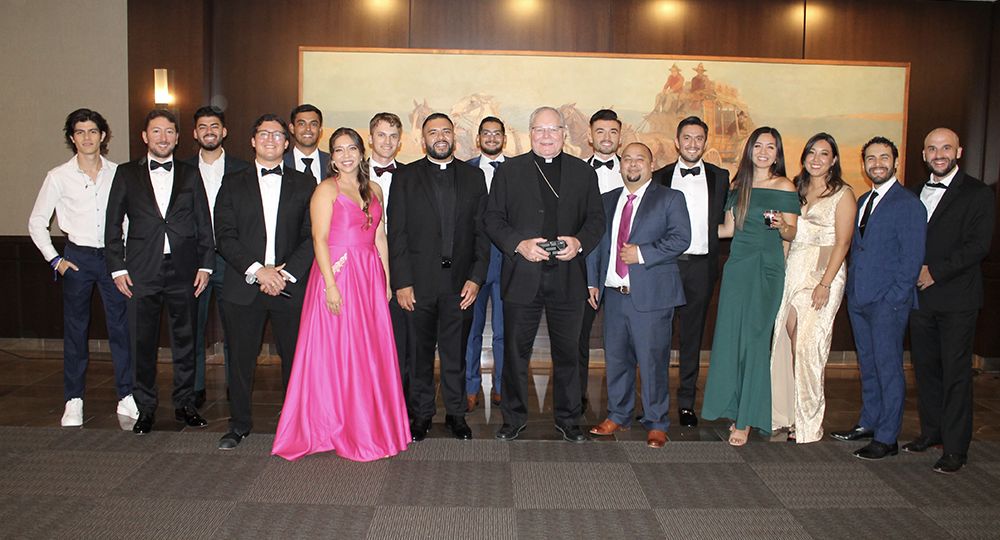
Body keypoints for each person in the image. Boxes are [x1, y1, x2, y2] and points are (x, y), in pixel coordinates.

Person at [273, 127, 410, 461]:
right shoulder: (325, 190)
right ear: (331, 156)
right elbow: (319, 239)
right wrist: (330, 285)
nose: (346, 155)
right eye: (338, 150)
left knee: (368, 352)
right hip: (339, 274)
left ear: (361, 152)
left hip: (369, 278)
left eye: (352, 148)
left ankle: (369, 423)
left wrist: (387, 280)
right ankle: (336, 425)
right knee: (339, 350)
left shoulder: (374, 188)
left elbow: (380, 238)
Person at [483, 106, 605, 443]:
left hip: (568, 276)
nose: (547, 136)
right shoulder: (509, 171)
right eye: (540, 129)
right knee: (514, 353)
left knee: (569, 353)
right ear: (530, 132)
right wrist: (518, 245)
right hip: (523, 274)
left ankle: (568, 419)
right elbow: (492, 219)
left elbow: (596, 220)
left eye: (553, 129)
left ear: (565, 133)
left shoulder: (584, 173)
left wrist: (579, 242)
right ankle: (513, 418)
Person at [104, 109, 215, 434]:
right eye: (156, 132)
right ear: (145, 136)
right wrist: (117, 268)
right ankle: (146, 408)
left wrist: (206, 264)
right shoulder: (126, 174)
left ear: (178, 138)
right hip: (140, 271)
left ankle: (184, 404)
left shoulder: (190, 174)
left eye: (169, 132)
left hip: (185, 270)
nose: (163, 137)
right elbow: (112, 226)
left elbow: (203, 221)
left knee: (186, 340)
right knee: (142, 342)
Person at [28, 108, 137, 426]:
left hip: (114, 259)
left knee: (121, 328)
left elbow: (128, 218)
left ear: (103, 136)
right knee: (76, 330)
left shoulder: (119, 173)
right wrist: (55, 259)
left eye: (92, 131)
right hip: (77, 259)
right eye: (80, 132)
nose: (87, 137)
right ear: (72, 138)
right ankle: (73, 399)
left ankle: (126, 395)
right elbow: (37, 222)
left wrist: (125, 257)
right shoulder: (58, 176)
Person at [213, 114, 315, 450]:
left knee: (295, 359)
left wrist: (283, 273)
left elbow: (313, 236)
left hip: (290, 286)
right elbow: (224, 236)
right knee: (240, 360)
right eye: (263, 134)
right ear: (253, 141)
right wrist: (259, 270)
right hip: (244, 286)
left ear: (287, 143)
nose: (271, 139)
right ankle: (238, 424)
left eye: (277, 135)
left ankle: (293, 426)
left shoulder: (305, 184)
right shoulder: (231, 183)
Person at [388, 113, 489, 441]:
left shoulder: (474, 179)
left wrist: (476, 278)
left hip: (460, 285)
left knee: (455, 354)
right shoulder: (406, 177)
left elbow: (481, 233)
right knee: (418, 354)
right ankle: (421, 415)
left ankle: (457, 415)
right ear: (423, 139)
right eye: (433, 132)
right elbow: (397, 234)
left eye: (446, 131)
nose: (440, 137)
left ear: (454, 137)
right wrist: (401, 282)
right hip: (417, 285)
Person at [586, 142, 690, 448]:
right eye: (627, 159)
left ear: (651, 163)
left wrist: (642, 254)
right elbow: (596, 245)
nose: (633, 165)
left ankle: (656, 422)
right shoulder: (606, 201)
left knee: (652, 361)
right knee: (617, 360)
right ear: (620, 165)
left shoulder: (670, 198)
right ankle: (618, 415)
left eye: (639, 159)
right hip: (614, 295)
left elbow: (682, 238)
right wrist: (592, 282)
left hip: (652, 297)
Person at [700, 126, 799, 446]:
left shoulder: (784, 186)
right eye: (759, 145)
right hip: (738, 268)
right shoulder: (738, 185)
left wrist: (783, 224)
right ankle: (734, 407)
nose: (764, 151)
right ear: (750, 149)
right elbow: (728, 229)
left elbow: (791, 234)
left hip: (767, 268)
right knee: (732, 341)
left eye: (771, 147)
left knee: (755, 342)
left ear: (777, 153)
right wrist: (691, 230)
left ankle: (746, 420)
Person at [904, 128, 994, 473]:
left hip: (956, 297)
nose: (938, 154)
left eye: (945, 148)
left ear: (959, 152)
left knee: (956, 374)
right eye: (932, 148)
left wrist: (935, 272)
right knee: (925, 369)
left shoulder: (978, 193)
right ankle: (932, 432)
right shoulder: (913, 193)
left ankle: (956, 448)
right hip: (918, 298)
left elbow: (978, 246)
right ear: (924, 154)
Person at [831, 136, 926, 461]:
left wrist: (896, 297)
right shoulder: (863, 201)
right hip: (859, 298)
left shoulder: (909, 204)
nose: (877, 164)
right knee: (868, 366)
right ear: (864, 164)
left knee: (888, 369)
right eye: (871, 158)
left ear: (896, 162)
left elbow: (912, 258)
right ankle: (868, 423)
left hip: (888, 303)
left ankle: (887, 437)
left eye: (884, 157)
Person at [770, 133, 855, 443]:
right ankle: (785, 415)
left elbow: (843, 242)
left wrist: (825, 283)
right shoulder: (797, 188)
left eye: (824, 153)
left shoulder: (842, 194)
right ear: (804, 157)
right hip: (794, 270)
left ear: (833, 160)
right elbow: (790, 234)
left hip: (823, 274)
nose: (817, 159)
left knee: (808, 349)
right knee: (786, 342)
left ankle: (808, 423)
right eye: (812, 153)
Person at [651, 116, 731, 428]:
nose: (693, 144)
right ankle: (654, 403)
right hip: (666, 266)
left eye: (699, 138)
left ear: (705, 142)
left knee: (692, 337)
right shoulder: (659, 177)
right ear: (677, 141)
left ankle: (686, 403)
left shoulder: (720, 177)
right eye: (687, 138)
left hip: (701, 266)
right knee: (657, 336)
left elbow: (728, 221)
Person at [180, 105, 249, 408]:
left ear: (224, 131)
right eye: (203, 127)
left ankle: (237, 388)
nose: (209, 131)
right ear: (195, 133)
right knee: (192, 328)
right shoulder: (181, 170)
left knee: (236, 328)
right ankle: (194, 389)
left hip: (230, 261)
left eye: (215, 126)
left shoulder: (243, 170)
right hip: (193, 262)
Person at [367, 112, 416, 412]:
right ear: (370, 138)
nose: (387, 141)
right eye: (381, 135)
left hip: (401, 271)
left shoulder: (412, 176)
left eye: (393, 136)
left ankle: (399, 410)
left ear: (400, 142)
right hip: (359, 268)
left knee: (401, 345)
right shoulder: (350, 173)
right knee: (362, 342)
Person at [579, 109, 624, 410]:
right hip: (585, 266)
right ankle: (577, 396)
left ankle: (621, 400)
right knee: (578, 337)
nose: (606, 138)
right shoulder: (577, 172)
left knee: (623, 340)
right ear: (590, 136)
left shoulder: (635, 171)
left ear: (620, 136)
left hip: (626, 267)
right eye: (600, 132)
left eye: (612, 132)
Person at [465, 116, 508, 411]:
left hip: (509, 261)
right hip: (473, 262)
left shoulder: (519, 170)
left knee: (506, 329)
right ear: (478, 138)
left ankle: (502, 386)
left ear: (504, 137)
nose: (491, 138)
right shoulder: (464, 170)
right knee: (472, 328)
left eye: (497, 133)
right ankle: (470, 387)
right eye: (486, 133)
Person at [282, 104, 329, 183]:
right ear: (292, 128)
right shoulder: (281, 162)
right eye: (301, 124)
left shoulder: (332, 162)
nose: (308, 129)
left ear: (320, 130)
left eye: (313, 124)